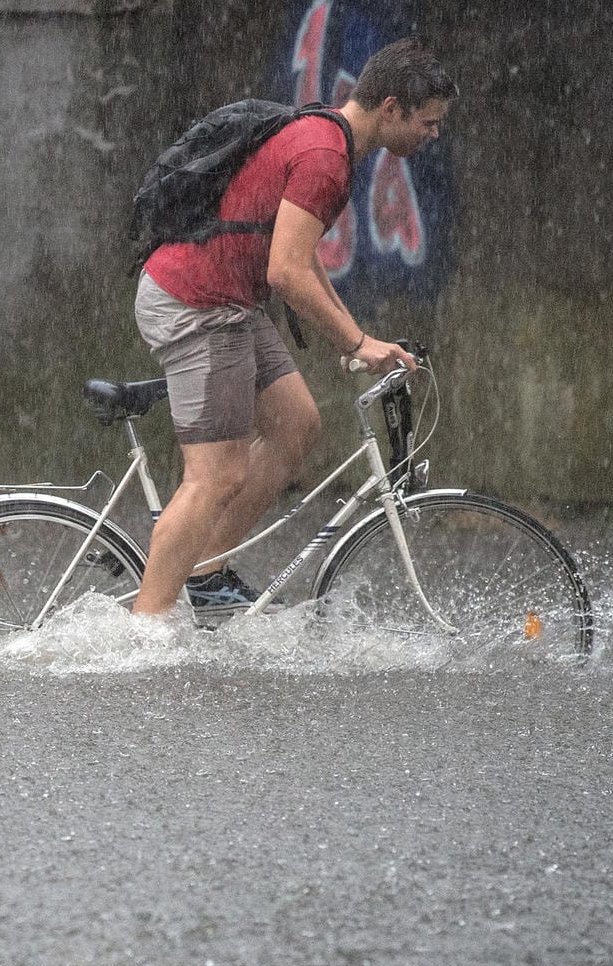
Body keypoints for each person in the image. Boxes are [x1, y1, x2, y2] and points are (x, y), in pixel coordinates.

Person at [130, 37, 457, 620]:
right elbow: (285, 271)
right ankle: (146, 629)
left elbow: (300, 262)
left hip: (227, 301)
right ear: (390, 108)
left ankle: (204, 576)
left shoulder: (328, 139)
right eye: (428, 122)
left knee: (297, 425)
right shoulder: (324, 157)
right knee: (216, 472)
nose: (434, 134)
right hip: (196, 303)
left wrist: (356, 339)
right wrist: (355, 342)